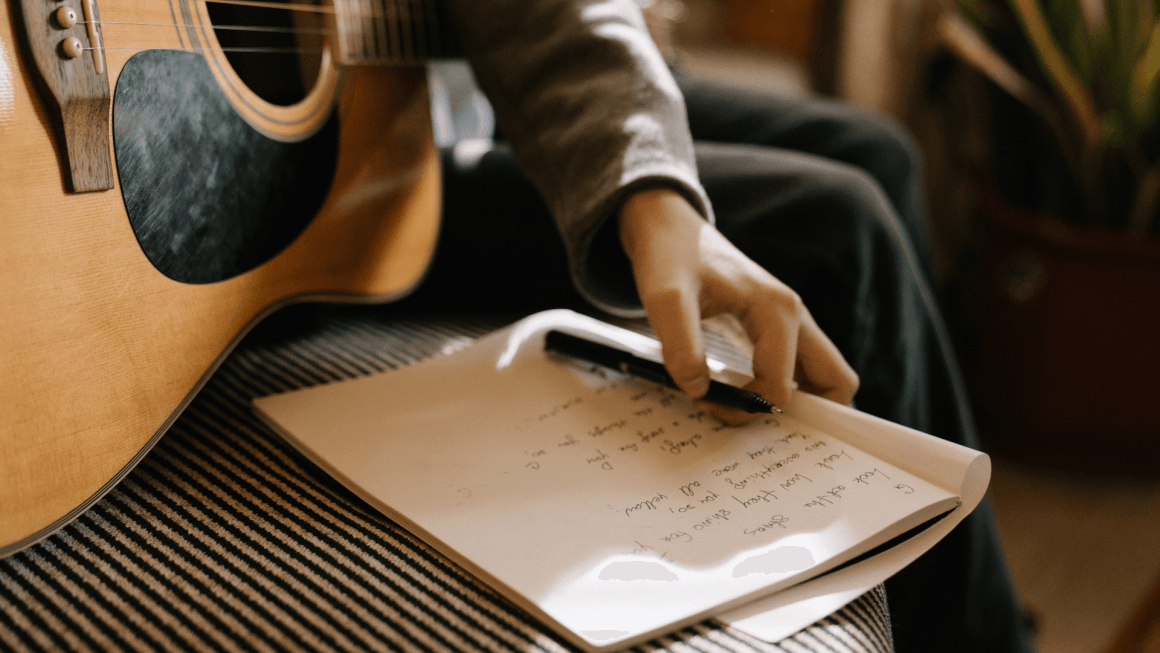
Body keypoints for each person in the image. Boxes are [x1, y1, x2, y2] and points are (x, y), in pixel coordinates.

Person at [401, 1, 1037, 651]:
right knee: (841, 226)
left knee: (881, 151)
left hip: (468, 80)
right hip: (395, 167)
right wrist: (652, 199)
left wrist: (656, 190)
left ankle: (957, 592)